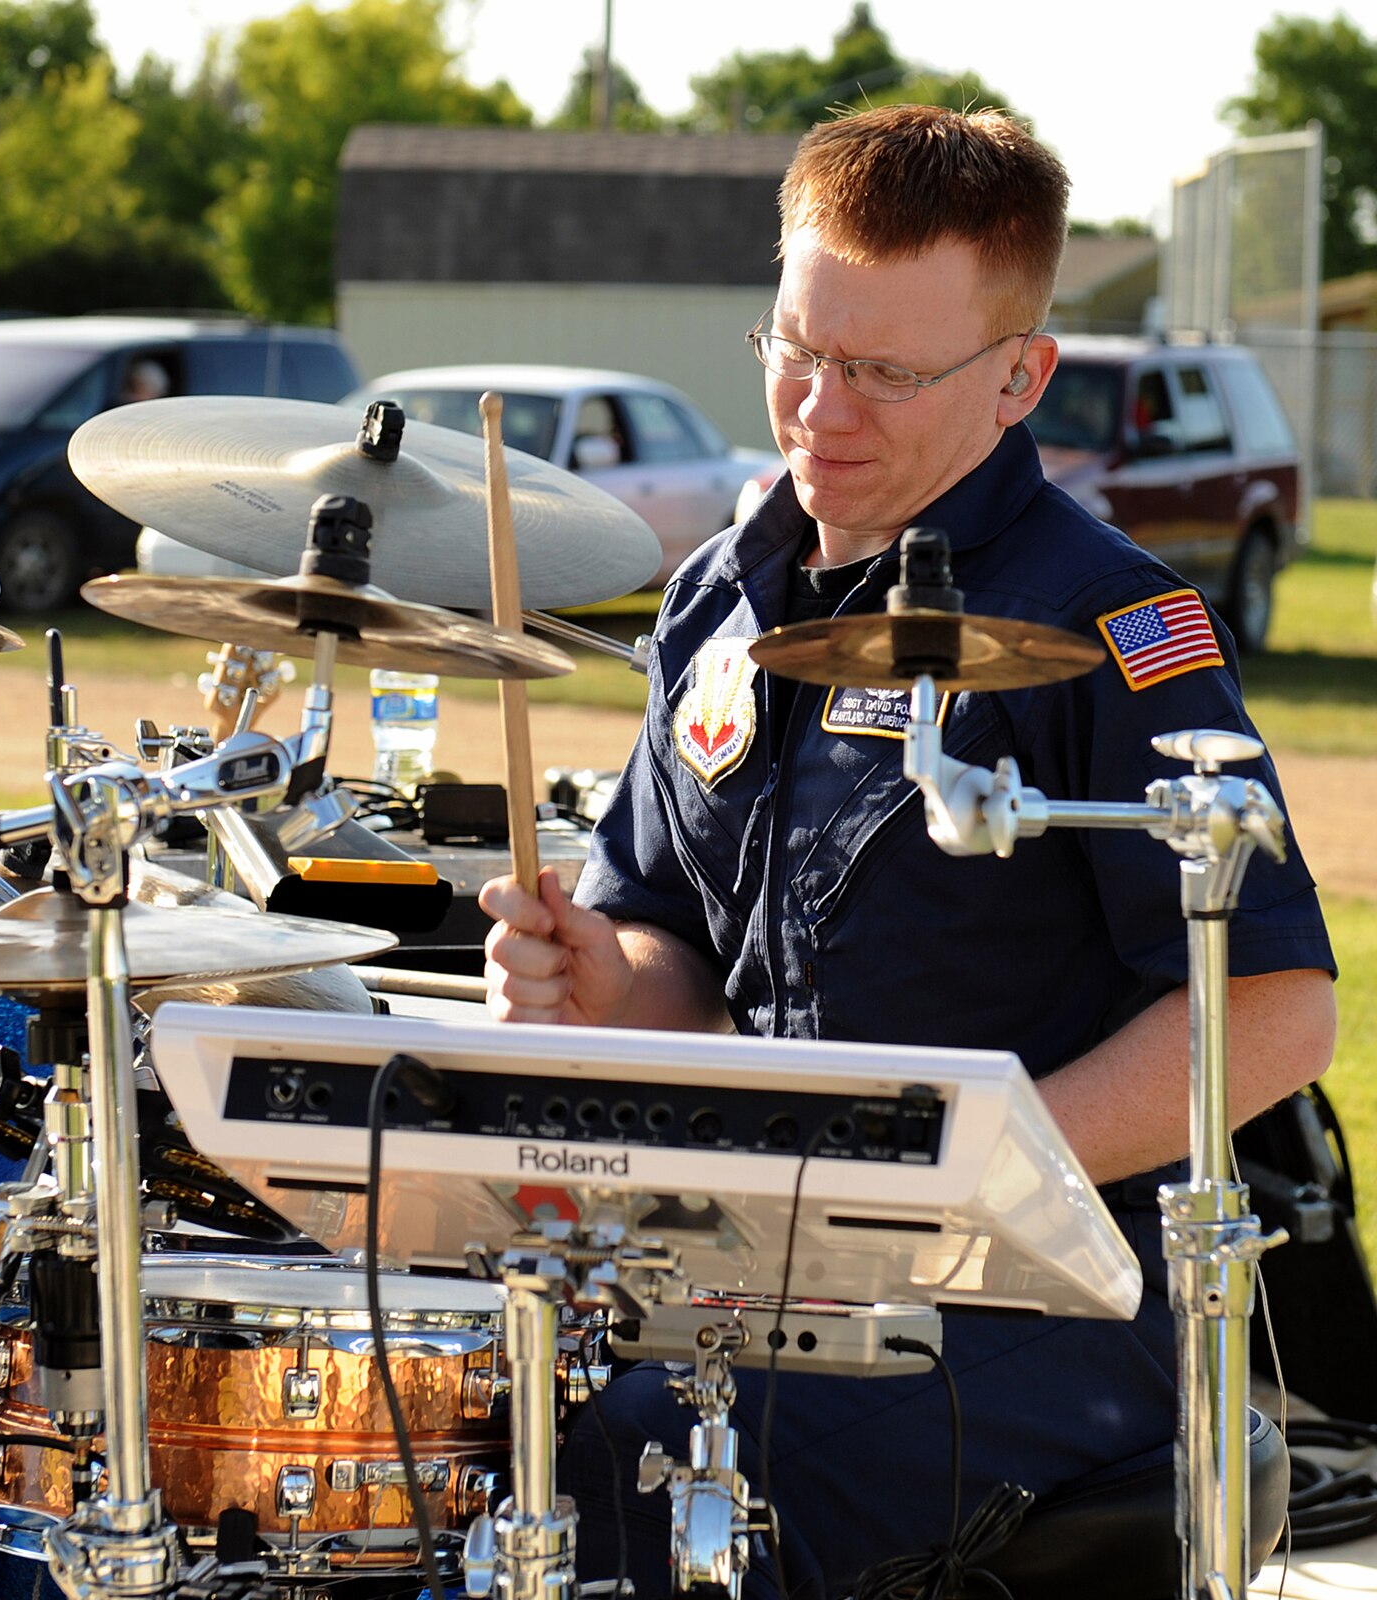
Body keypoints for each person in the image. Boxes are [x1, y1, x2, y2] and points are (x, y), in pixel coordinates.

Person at [479, 104, 1336, 1599]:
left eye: (881, 372)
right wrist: (595, 980)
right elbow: (679, 952)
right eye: (796, 350)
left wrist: (953, 1182)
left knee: (642, 1469)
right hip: (771, 1253)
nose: (819, 410)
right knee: (461, 1402)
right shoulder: (720, 600)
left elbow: (1272, 1009)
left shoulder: (1108, 629)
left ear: (1021, 376)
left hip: (1051, 1307)